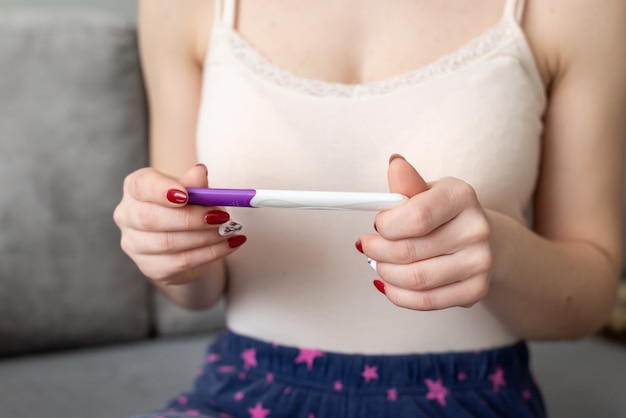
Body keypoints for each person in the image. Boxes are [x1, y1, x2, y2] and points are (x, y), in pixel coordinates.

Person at [113, 0, 626, 416]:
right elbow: (199, 291)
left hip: (468, 397)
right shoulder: (177, 7)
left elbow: (589, 300)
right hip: (242, 390)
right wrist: (171, 251)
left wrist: (501, 252)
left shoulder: (581, 11)